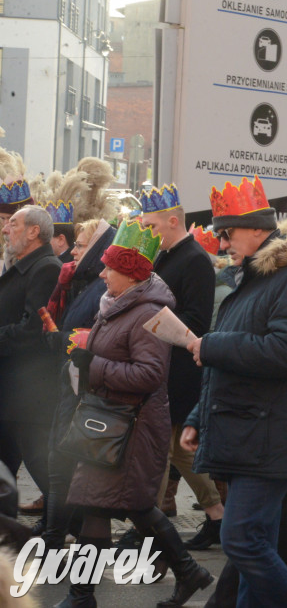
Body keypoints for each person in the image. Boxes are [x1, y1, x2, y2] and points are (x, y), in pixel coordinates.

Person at [182, 176, 287, 608]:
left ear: (258, 230)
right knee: (253, 547)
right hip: (252, 430)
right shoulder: (258, 275)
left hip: (271, 434)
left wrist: (211, 346)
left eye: (227, 232)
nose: (221, 241)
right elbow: (232, 361)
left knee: (242, 540)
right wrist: (196, 417)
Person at [60, 219, 213, 608]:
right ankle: (85, 594)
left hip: (133, 427)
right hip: (112, 422)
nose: (102, 271)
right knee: (108, 505)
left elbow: (149, 375)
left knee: (129, 507)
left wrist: (93, 366)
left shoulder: (148, 313)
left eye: (110, 267)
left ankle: (86, 595)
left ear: (130, 274)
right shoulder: (117, 304)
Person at [137, 184, 223, 552]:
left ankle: (151, 534)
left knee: (164, 451)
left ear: (173, 221)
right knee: (180, 452)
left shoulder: (195, 259)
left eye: (151, 226)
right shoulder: (166, 254)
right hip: (164, 366)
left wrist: (151, 321)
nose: (146, 233)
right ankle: (218, 516)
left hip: (180, 371)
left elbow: (197, 320)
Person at [40, 218, 115, 552]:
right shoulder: (86, 281)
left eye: (82, 245)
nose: (74, 250)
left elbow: (98, 339)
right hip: (74, 386)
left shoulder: (100, 287)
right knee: (62, 465)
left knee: (63, 464)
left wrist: (60, 337)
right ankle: (57, 535)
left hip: (86, 391)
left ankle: (56, 539)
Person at [0, 206, 61, 510]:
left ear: (33, 231)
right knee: (6, 468)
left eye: (12, 223)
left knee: (39, 465)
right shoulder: (26, 265)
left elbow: (32, 329)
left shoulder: (46, 267)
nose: (5, 230)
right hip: (14, 386)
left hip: (29, 390)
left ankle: (83, 531)